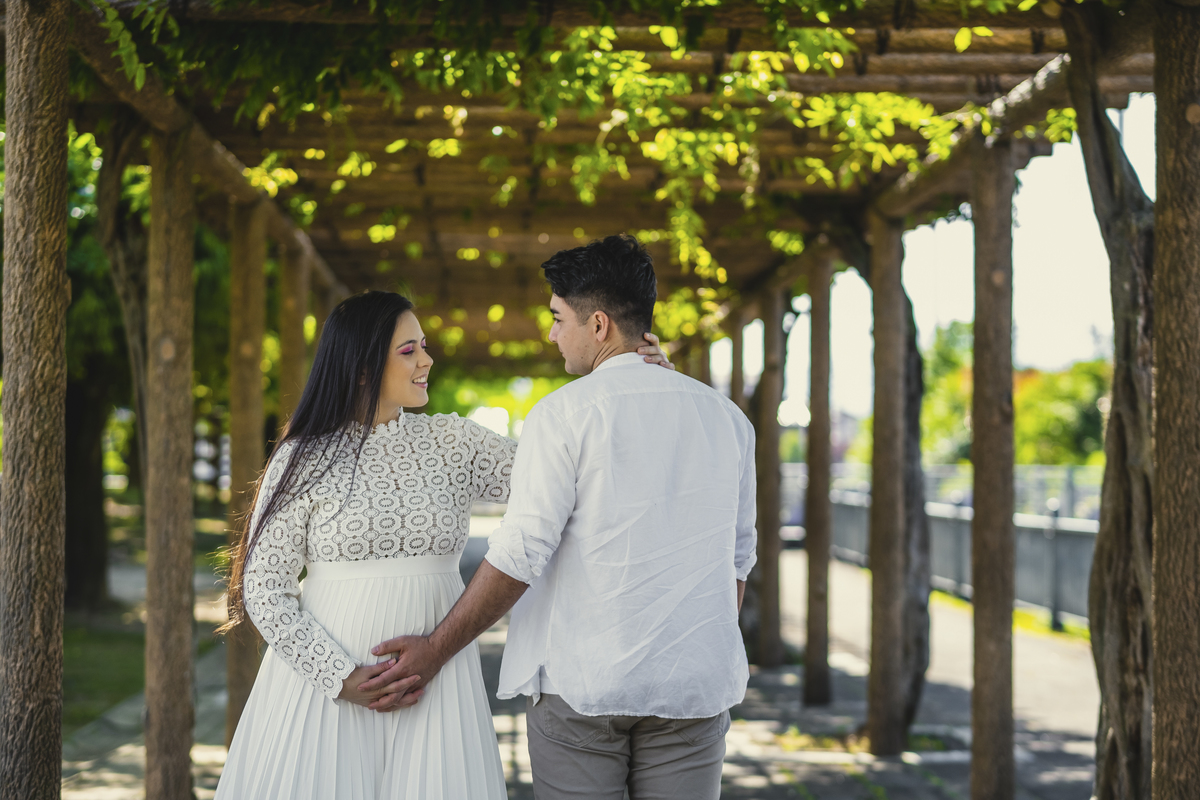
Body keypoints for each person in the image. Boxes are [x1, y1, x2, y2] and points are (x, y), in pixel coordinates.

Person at [213, 290, 673, 800]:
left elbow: (574, 477)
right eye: (408, 350)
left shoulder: (456, 443)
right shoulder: (303, 458)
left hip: (437, 689)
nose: (427, 359)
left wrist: (639, 384)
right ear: (362, 368)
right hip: (325, 693)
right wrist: (340, 676)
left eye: (424, 346)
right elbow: (263, 587)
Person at [362, 234, 757, 800]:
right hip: (692, 690)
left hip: (584, 686)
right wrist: (689, 647)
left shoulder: (564, 415)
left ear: (598, 326)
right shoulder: (728, 419)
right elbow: (737, 558)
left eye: (557, 317)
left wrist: (435, 651)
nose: (551, 334)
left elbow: (522, 550)